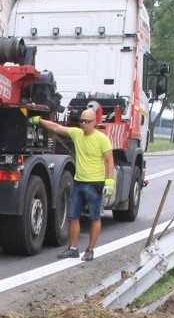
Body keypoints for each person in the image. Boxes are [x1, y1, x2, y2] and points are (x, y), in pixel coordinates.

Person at [32, 108, 114, 261]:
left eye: (87, 121)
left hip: (95, 184)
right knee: (73, 216)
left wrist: (109, 182)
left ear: (94, 122)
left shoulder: (102, 139)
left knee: (94, 218)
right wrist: (39, 121)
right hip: (79, 183)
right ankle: (73, 248)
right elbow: (57, 128)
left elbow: (110, 161)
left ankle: (90, 250)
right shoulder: (77, 134)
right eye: (81, 121)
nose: (83, 124)